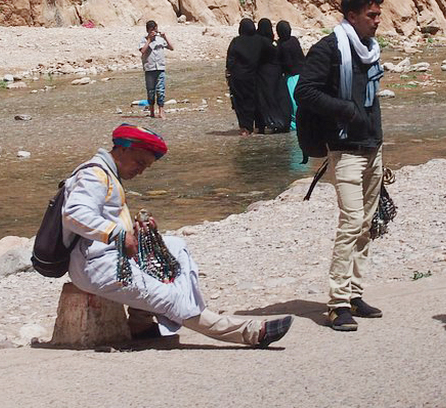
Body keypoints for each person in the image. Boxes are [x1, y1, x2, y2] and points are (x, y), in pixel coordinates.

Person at [62, 123, 293, 347]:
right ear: (122, 149)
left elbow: (103, 219)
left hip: (111, 255)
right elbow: (74, 213)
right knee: (169, 298)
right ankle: (251, 332)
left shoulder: (108, 173)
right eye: (139, 162)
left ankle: (142, 323)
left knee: (175, 246)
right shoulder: (94, 175)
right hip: (95, 264)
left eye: (145, 167)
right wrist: (118, 234)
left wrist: (134, 231)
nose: (140, 171)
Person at [295, 0, 385, 332]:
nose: (377, 21)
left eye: (378, 15)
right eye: (371, 15)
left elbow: (370, 98)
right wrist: (345, 110)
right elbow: (305, 91)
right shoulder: (328, 48)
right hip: (345, 148)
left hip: (372, 145)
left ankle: (354, 293)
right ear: (352, 16)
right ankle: (337, 304)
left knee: (366, 224)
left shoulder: (370, 49)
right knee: (352, 222)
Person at [226, 19, 263, 136]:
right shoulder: (259, 41)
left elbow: (230, 60)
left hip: (238, 78)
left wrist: (229, 73)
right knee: (255, 100)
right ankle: (259, 126)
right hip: (255, 77)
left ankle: (245, 128)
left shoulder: (236, 41)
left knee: (241, 102)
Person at [254, 18, 291, 133]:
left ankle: (267, 123)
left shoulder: (259, 42)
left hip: (263, 74)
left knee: (265, 98)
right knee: (278, 97)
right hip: (277, 73)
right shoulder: (273, 43)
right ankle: (281, 122)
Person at [139, 20, 173, 118]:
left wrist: (165, 37)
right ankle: (152, 111)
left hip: (160, 67)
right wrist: (149, 40)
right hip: (149, 68)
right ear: (148, 31)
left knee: (161, 90)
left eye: (155, 29)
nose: (154, 32)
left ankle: (161, 111)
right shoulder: (144, 40)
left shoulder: (160, 39)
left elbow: (171, 48)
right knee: (150, 91)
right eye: (151, 30)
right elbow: (142, 51)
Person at [276, 20, 306, 131]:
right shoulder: (294, 40)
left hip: (290, 79)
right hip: (302, 75)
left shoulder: (281, 45)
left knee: (292, 104)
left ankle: (294, 126)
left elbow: (284, 63)